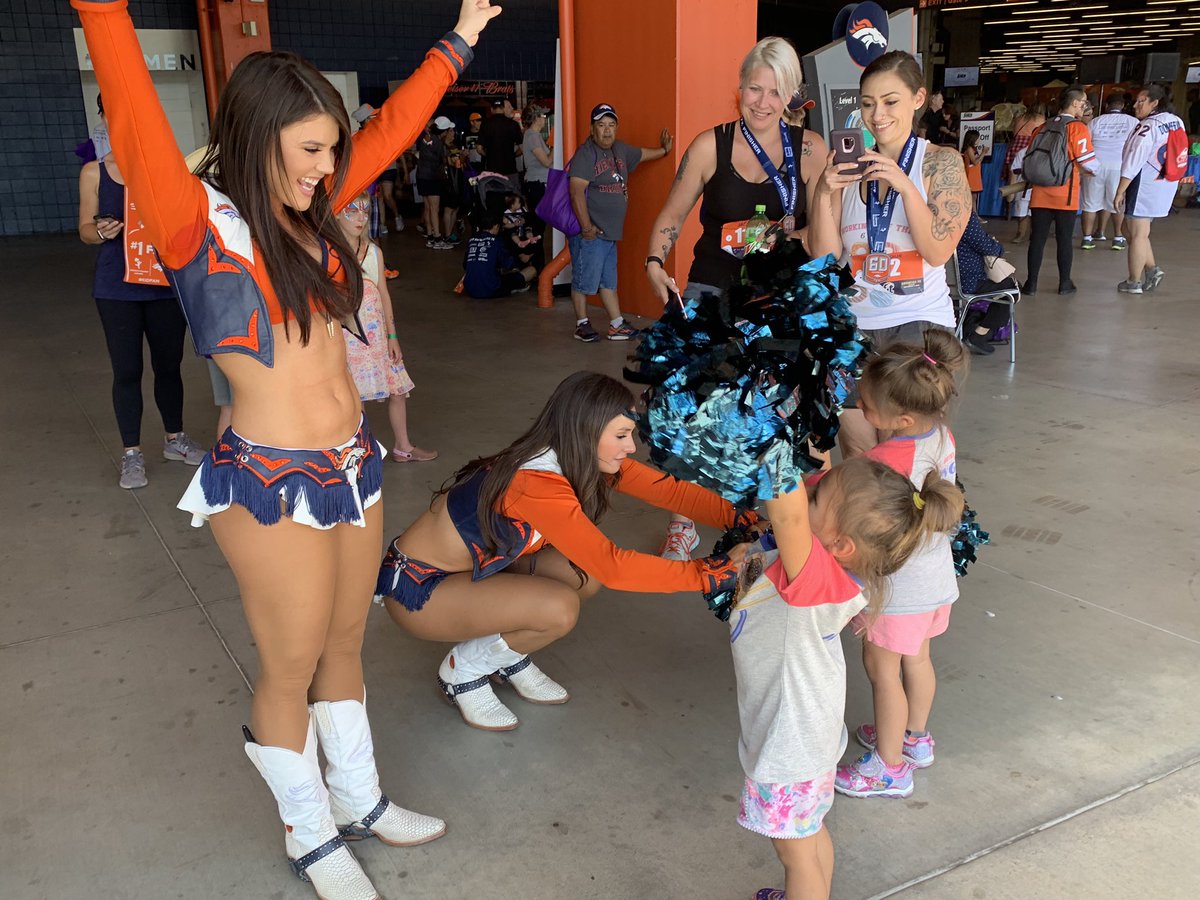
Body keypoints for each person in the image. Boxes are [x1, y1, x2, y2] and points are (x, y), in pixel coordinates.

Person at [73, 2, 500, 898]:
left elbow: (394, 128)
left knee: (348, 641)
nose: (327, 167)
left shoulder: (317, 205)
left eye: (329, 150)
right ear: (260, 138)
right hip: (269, 481)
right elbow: (133, 104)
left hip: (351, 461)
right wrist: (102, 12)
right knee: (292, 660)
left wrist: (459, 37)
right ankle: (311, 834)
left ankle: (362, 799)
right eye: (309, 148)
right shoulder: (195, 221)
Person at [375, 371, 750, 731]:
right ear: (586, 432)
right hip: (421, 589)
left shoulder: (576, 455)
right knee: (560, 608)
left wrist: (743, 519)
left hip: (477, 569)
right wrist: (711, 574)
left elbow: (672, 491)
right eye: (621, 435)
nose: (631, 447)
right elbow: (614, 566)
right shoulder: (536, 480)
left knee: (580, 577)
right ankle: (462, 672)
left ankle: (506, 656)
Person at [734, 455, 963, 900]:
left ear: (839, 543)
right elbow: (798, 510)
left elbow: (786, 506)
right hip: (807, 730)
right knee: (810, 832)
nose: (808, 487)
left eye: (816, 495)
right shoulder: (829, 569)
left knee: (795, 854)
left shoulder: (816, 576)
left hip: (790, 742)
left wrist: (771, 439)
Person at [643, 36, 827, 561]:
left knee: (771, 411)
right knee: (696, 408)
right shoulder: (710, 145)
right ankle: (684, 519)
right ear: (740, 87)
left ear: (791, 94)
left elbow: (826, 229)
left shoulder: (809, 150)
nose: (763, 101)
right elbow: (672, 217)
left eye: (776, 91)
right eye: (754, 88)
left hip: (777, 299)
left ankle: (761, 519)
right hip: (710, 291)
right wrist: (655, 261)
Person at [807, 50, 971, 459]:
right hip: (853, 327)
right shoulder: (848, 167)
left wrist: (904, 184)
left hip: (916, 326)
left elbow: (936, 251)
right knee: (861, 457)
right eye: (867, 103)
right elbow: (825, 257)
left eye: (890, 101)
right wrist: (824, 191)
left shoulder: (941, 163)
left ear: (918, 99)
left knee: (906, 460)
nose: (877, 114)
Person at [831, 331, 966, 801]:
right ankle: (914, 737)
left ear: (901, 417)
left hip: (898, 586)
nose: (860, 409)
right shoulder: (940, 434)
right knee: (919, 659)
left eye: (866, 405)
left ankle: (888, 769)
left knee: (883, 672)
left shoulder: (882, 459)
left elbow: (847, 506)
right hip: (935, 576)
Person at [77, 95, 205, 490]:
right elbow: (84, 229)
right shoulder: (94, 173)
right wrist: (99, 232)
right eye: (112, 114)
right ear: (103, 117)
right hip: (116, 288)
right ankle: (131, 454)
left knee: (169, 366)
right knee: (127, 371)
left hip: (164, 287)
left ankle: (175, 439)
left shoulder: (167, 170)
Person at [338, 192, 437, 461]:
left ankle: (403, 446)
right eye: (352, 211)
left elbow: (383, 294)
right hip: (348, 336)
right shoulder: (331, 254)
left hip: (378, 335)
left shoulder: (374, 252)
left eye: (365, 211)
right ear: (336, 213)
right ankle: (356, 452)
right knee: (355, 396)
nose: (360, 218)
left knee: (398, 389)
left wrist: (392, 336)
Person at [568, 103, 673, 342]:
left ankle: (616, 325)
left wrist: (664, 151)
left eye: (611, 125)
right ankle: (582, 324)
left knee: (608, 281)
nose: (607, 131)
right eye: (601, 125)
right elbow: (576, 191)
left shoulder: (620, 150)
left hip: (610, 233)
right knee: (583, 280)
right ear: (592, 128)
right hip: (591, 233)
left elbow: (643, 154)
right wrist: (586, 228)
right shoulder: (586, 154)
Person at [1022, 86, 1097, 296]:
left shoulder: (1042, 127)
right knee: (1064, 240)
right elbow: (1088, 161)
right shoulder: (1077, 128)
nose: (1085, 107)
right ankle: (1065, 283)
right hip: (1065, 194)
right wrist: (1092, 171)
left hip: (1039, 193)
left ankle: (1031, 284)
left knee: (1037, 240)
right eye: (1083, 103)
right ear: (1074, 103)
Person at [1115, 85, 1187, 294]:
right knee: (1133, 231)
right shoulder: (1176, 120)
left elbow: (1134, 159)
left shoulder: (1147, 126)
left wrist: (1121, 189)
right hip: (1165, 181)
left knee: (1137, 233)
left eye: (1141, 101)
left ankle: (1134, 281)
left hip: (1143, 184)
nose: (1136, 105)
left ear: (1155, 103)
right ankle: (1152, 269)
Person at [956, 211, 1019, 355]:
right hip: (970, 282)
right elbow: (986, 246)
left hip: (944, 282)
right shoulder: (963, 217)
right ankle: (979, 334)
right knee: (1012, 289)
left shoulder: (933, 214)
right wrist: (997, 246)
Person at [1081, 94, 1137, 251]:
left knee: (1090, 204)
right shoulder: (1133, 122)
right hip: (1119, 167)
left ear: (1106, 105)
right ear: (1123, 105)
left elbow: (1087, 144)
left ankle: (1087, 238)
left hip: (1095, 167)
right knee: (1117, 203)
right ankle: (1118, 238)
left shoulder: (1095, 122)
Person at [462, 211, 537, 298]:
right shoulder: (497, 241)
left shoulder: (472, 240)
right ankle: (516, 287)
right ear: (495, 226)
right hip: (491, 289)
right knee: (531, 271)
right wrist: (521, 259)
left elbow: (465, 265)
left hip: (470, 288)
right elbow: (509, 264)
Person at [1003, 103, 1045, 244]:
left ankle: (1025, 235)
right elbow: (1015, 171)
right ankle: (1024, 234)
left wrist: (1011, 191)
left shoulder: (1020, 118)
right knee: (1026, 212)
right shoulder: (1041, 119)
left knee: (1030, 213)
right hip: (1027, 187)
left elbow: (1013, 172)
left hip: (1028, 186)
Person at [416, 116, 456, 249]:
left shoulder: (425, 138)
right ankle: (438, 238)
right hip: (432, 178)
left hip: (421, 177)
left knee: (427, 208)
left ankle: (430, 236)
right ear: (443, 131)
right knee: (434, 209)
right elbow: (444, 161)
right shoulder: (438, 143)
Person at [479, 97, 522, 179]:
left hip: (491, 170)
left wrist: (488, 155)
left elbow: (479, 148)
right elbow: (522, 148)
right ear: (503, 109)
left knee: (493, 190)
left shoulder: (485, 124)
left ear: (491, 109)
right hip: (510, 169)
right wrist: (512, 156)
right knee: (511, 190)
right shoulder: (513, 124)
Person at [961, 128, 984, 217]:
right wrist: (983, 153)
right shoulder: (969, 149)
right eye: (978, 138)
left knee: (974, 196)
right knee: (971, 196)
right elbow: (974, 161)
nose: (979, 140)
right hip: (971, 174)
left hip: (975, 174)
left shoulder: (974, 149)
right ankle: (971, 216)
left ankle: (974, 215)